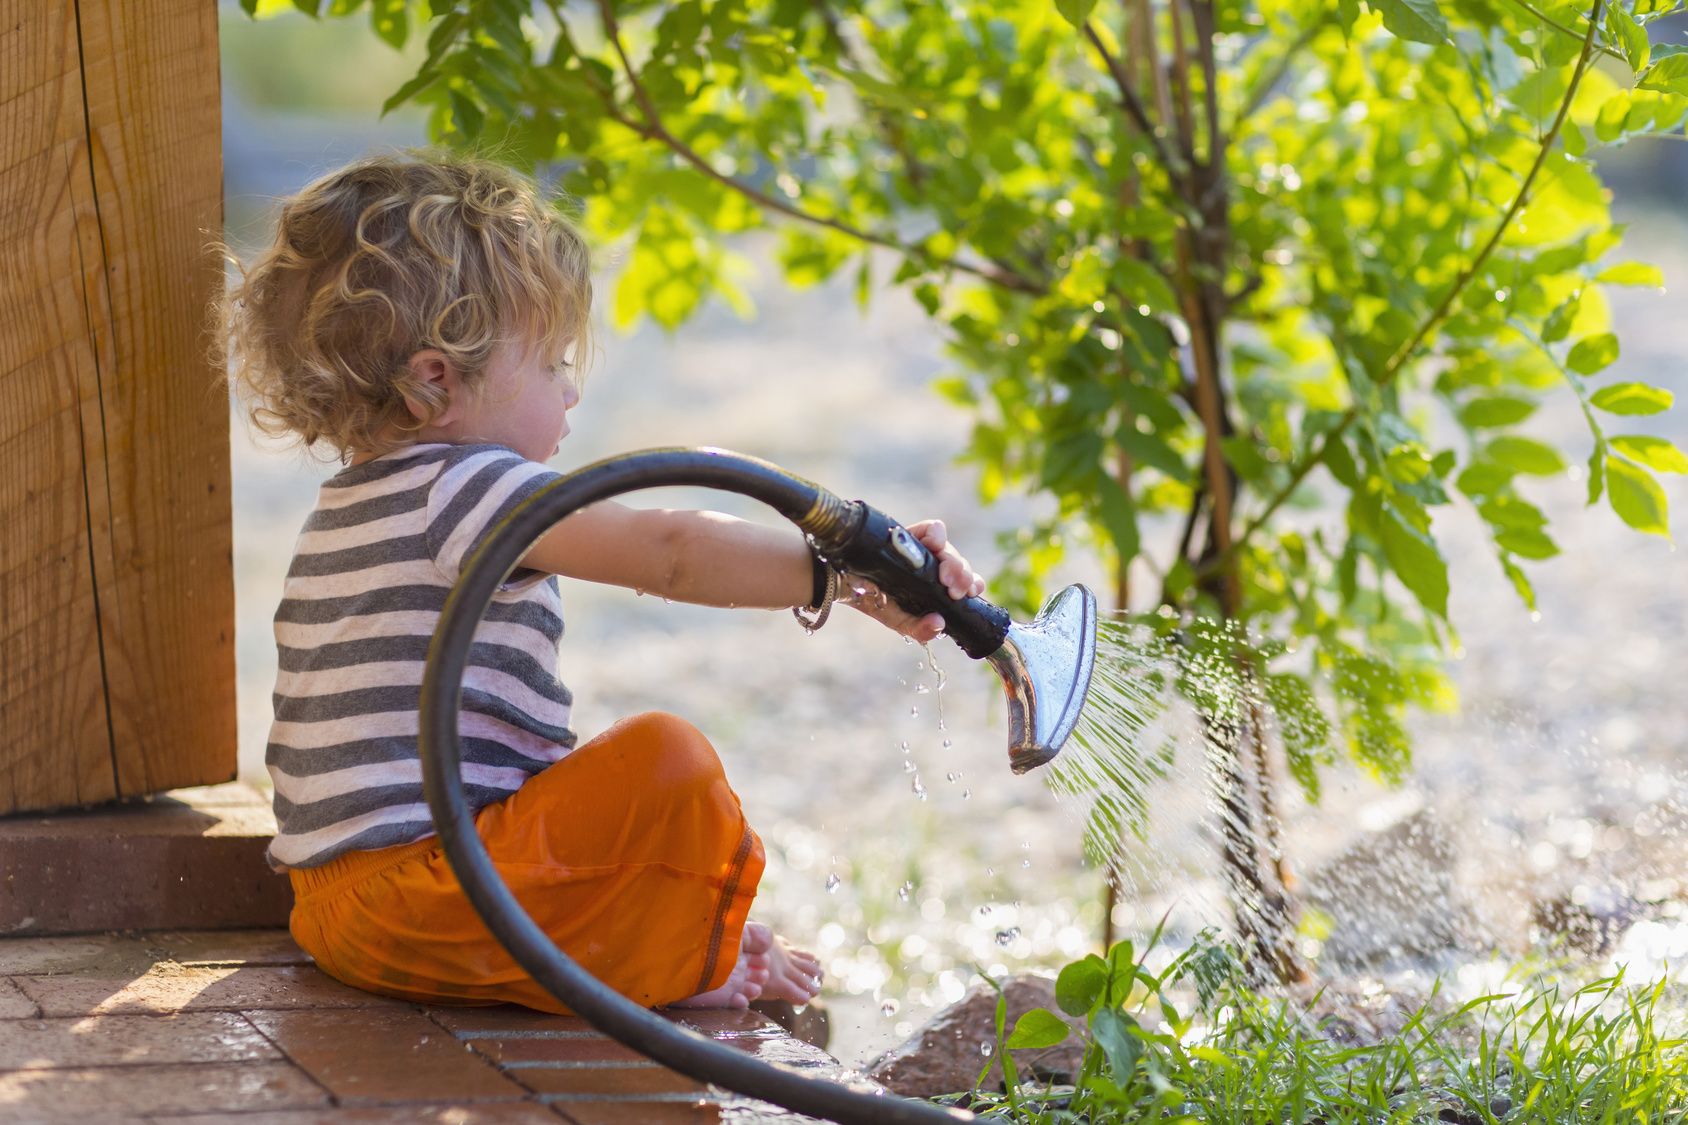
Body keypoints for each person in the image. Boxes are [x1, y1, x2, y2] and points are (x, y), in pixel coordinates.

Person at [221, 151, 986, 1013]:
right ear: (437, 380)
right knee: (668, 761)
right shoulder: (467, 485)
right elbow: (670, 549)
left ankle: (670, 944)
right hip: (434, 893)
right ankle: (680, 965)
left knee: (581, 790)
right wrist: (843, 573)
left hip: (336, 914)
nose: (573, 390)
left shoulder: (346, 509)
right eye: (550, 364)